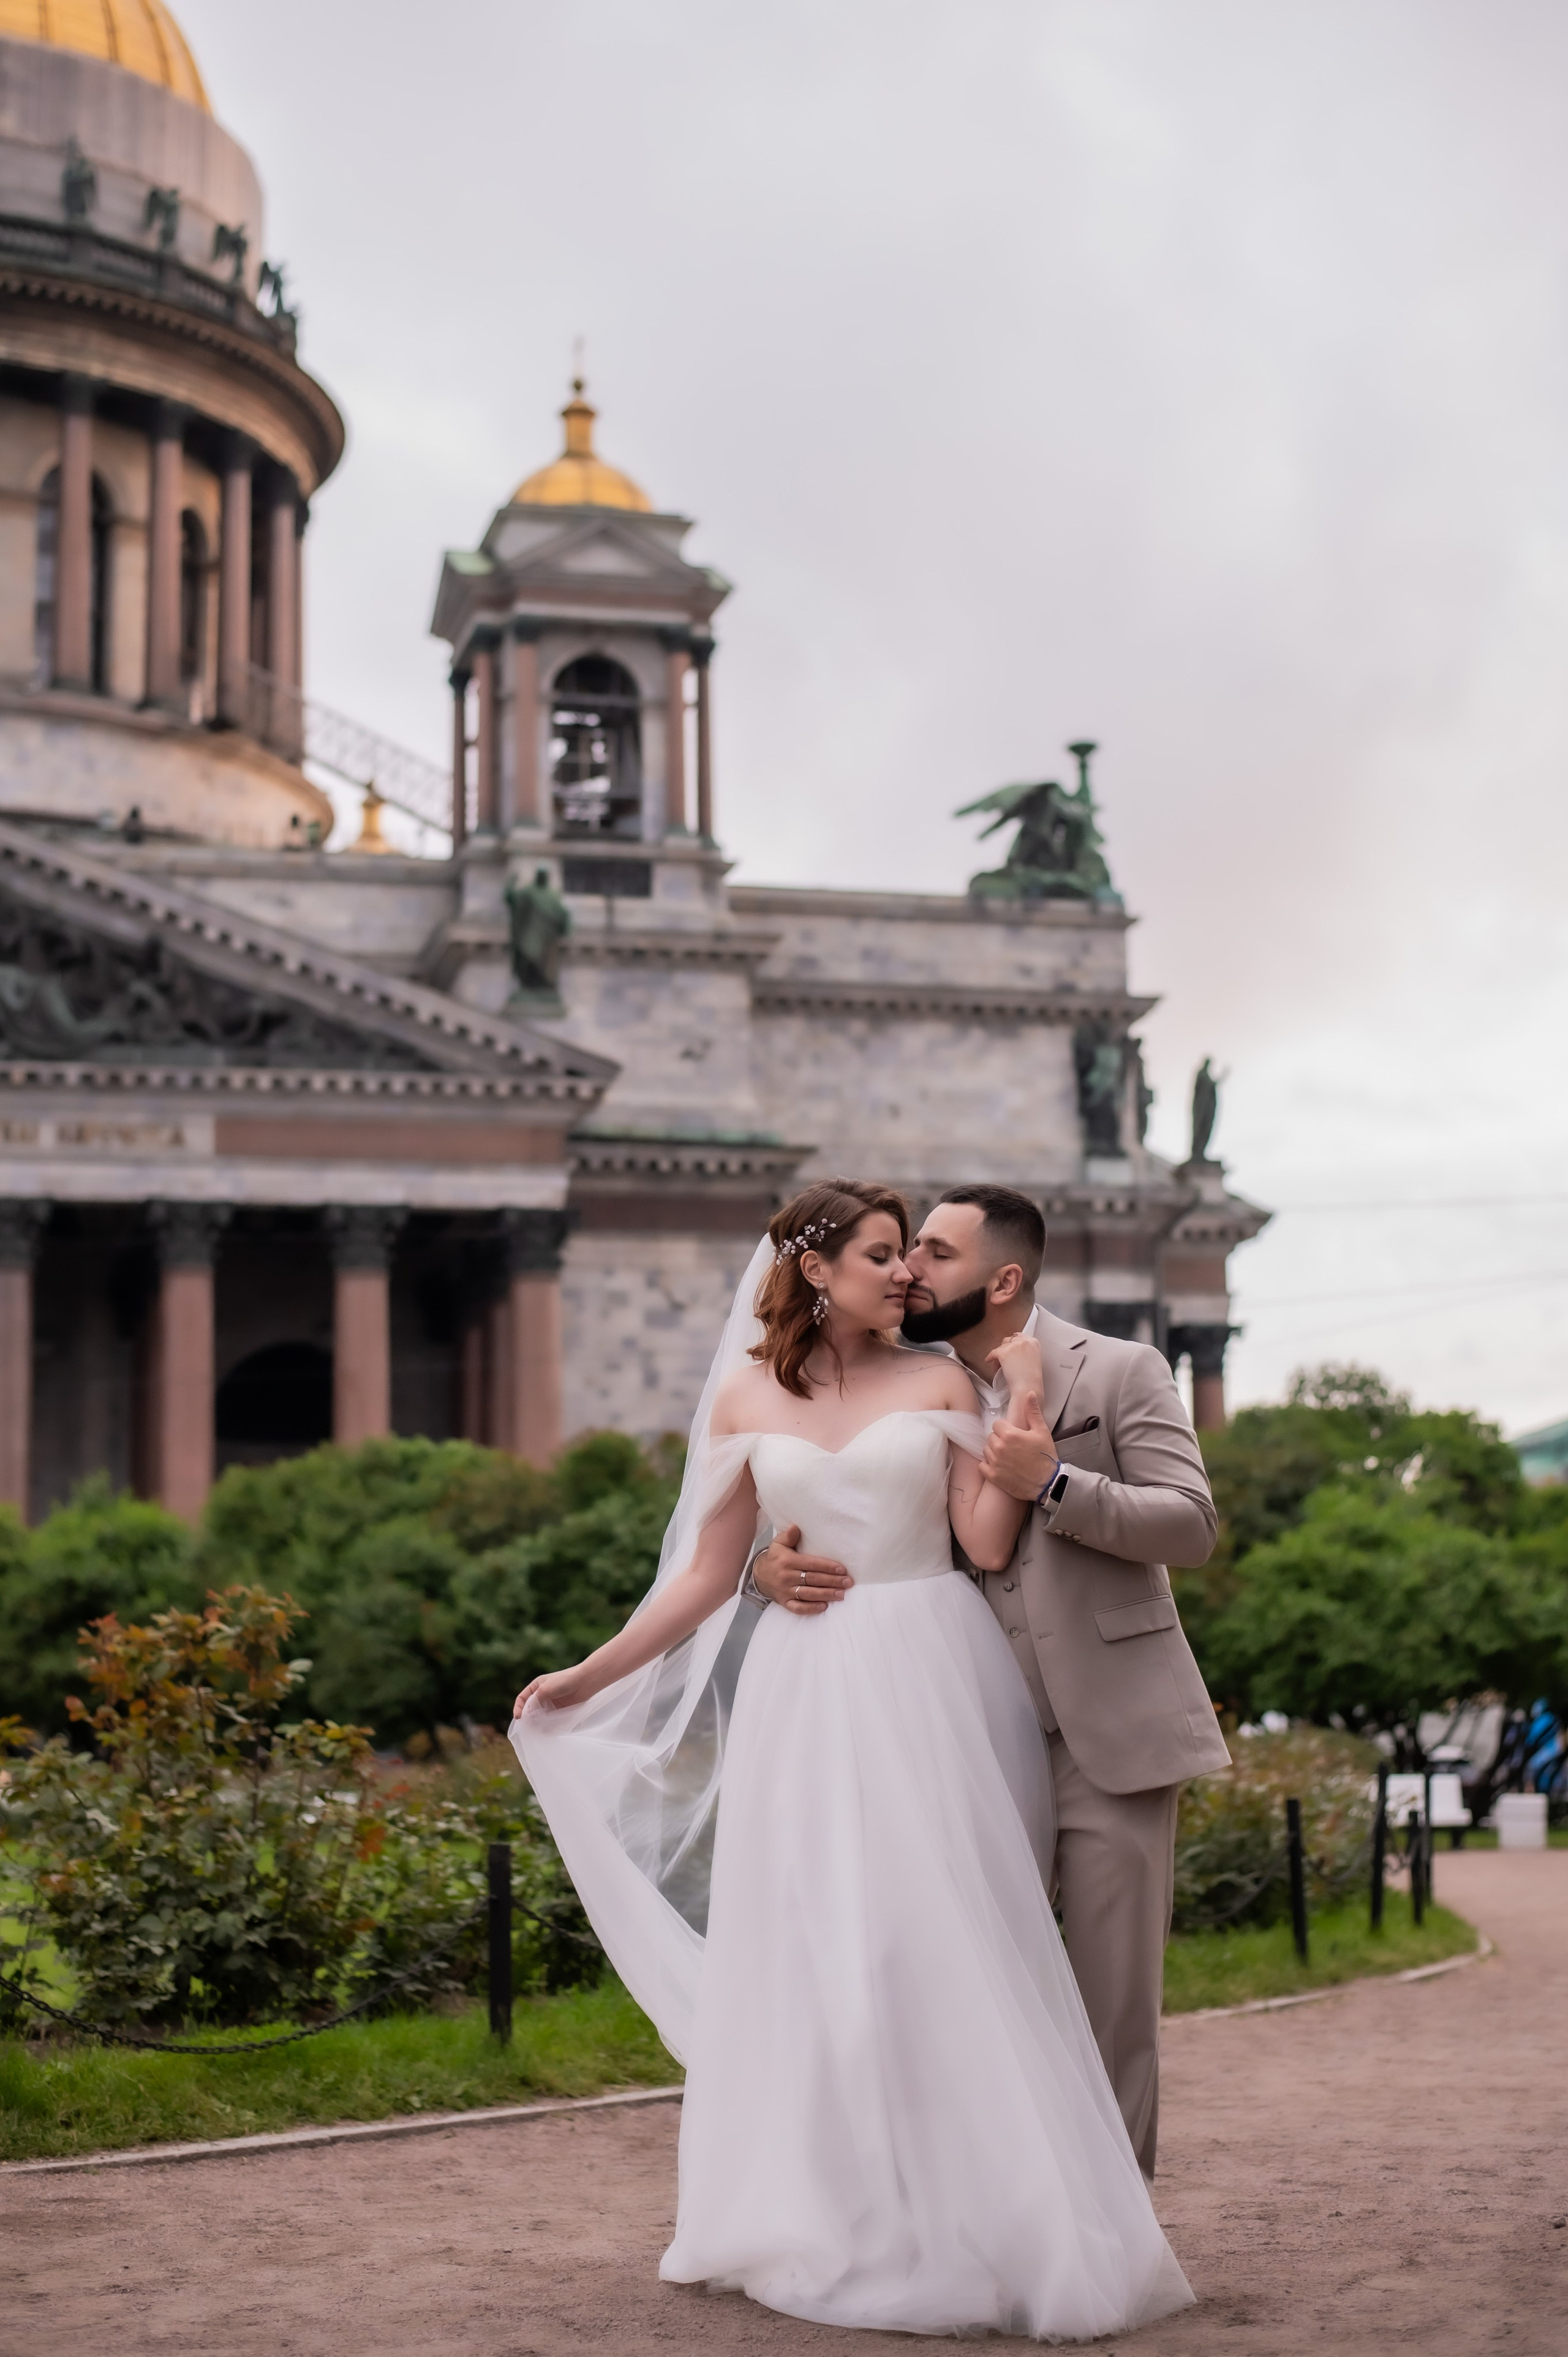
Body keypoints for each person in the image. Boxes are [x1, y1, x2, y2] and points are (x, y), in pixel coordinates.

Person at [512, 1178, 1193, 2340]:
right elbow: (701, 1571)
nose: (905, 1274)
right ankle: (842, 2210)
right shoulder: (742, 1395)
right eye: (884, 1254)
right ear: (816, 1272)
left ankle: (1009, 2212)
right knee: (817, 1949)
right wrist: (588, 1676)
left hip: (931, 1675)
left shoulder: (941, 1381)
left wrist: (1020, 1410)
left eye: (913, 1254)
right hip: (804, 1692)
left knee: (937, 1944)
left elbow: (983, 1538)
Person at [751, 1182, 1230, 2180]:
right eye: (905, 1250)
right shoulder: (910, 1381)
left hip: (1111, 1735)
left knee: (1110, 2008)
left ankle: (1113, 2238)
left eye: (934, 1252)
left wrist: (1053, 1484)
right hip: (960, 1735)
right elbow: (852, 1516)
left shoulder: (1120, 1368)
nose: (908, 1269)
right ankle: (988, 2228)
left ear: (1004, 1279)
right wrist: (768, 1571)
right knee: (962, 1995)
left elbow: (1192, 1524)